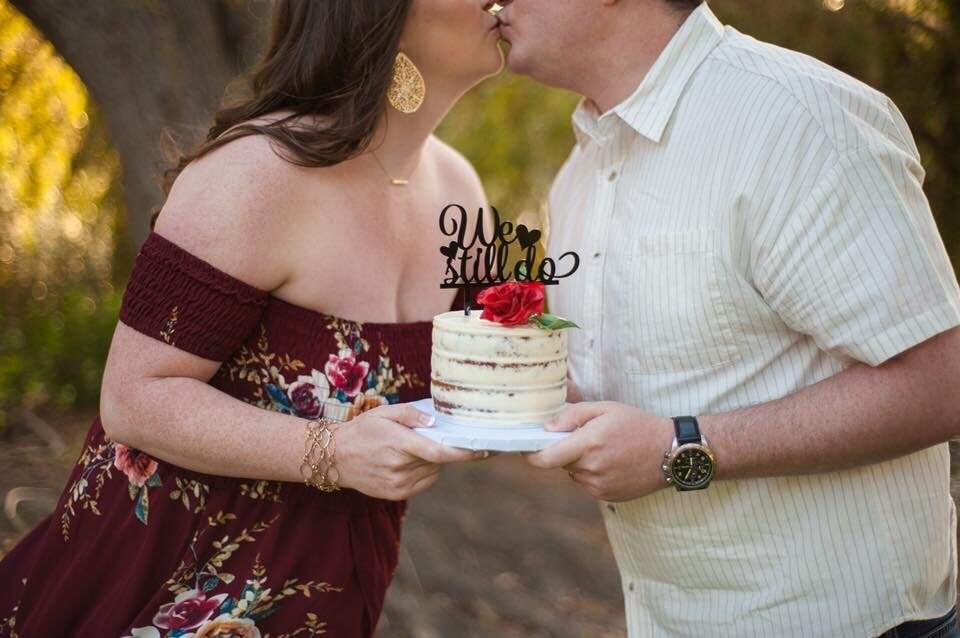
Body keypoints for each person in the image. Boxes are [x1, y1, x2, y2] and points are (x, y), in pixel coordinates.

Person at [0, 1, 504, 636]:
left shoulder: (461, 189)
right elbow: (134, 397)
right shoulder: (257, 173)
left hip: (335, 590)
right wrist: (335, 452)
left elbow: (480, 370)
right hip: (171, 584)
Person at [498, 0, 960, 636]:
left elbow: (942, 383)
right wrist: (541, 401)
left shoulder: (798, 121)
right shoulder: (579, 172)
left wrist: (681, 446)